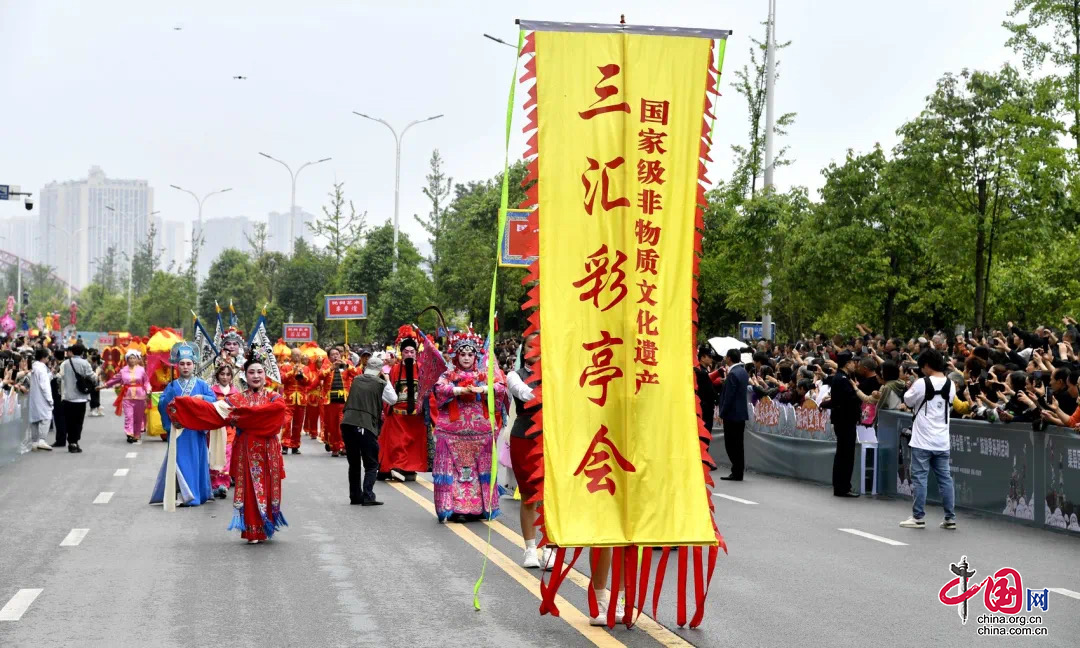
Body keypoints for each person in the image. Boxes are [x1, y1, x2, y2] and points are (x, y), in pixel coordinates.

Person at [166, 348, 289, 543]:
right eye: (251, 372)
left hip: (269, 451)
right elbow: (213, 412)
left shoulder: (274, 398)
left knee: (267, 488)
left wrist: (243, 417)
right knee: (250, 489)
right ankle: (252, 530)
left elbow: (278, 413)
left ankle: (266, 526)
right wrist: (184, 405)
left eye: (259, 372)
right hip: (246, 450)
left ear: (266, 374)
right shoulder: (236, 400)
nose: (256, 376)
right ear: (245, 376)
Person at [432, 332, 506, 522]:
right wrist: (458, 390)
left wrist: (482, 389)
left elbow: (500, 388)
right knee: (455, 472)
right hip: (452, 433)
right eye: (462, 354)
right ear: (456, 356)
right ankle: (456, 509)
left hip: (480, 433)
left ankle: (480, 508)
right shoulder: (449, 375)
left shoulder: (483, 375)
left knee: (478, 470)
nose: (466, 358)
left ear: (476, 356)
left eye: (470, 354)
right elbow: (439, 389)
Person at [506, 331, 556, 570]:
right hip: (524, 437)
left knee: (550, 495)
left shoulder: (555, 373)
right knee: (528, 496)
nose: (534, 349)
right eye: (529, 345)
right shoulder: (514, 375)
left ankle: (549, 547)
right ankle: (529, 548)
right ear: (523, 351)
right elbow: (526, 394)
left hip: (551, 438)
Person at [150, 343, 216, 507]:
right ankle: (184, 494)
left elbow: (213, 401)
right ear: (177, 365)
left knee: (195, 460)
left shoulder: (202, 385)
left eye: (188, 363)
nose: (185, 367)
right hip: (178, 430)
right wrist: (168, 400)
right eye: (182, 363)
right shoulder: (172, 386)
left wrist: (202, 398)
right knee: (179, 461)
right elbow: (162, 405)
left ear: (194, 365)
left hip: (195, 431)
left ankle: (195, 493)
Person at [899, 349, 957, 530]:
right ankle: (950, 518)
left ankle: (918, 517)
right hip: (942, 440)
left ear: (926, 365)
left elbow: (907, 401)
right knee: (945, 479)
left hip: (922, 440)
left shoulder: (921, 383)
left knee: (920, 478)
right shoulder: (951, 384)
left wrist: (912, 386)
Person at [341, 356, 397, 505]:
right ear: (380, 371)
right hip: (365, 425)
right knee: (371, 464)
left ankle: (355, 496)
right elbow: (393, 399)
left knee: (354, 463)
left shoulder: (357, 379)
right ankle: (368, 495)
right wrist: (387, 379)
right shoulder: (380, 383)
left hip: (347, 423)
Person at [379, 327, 429, 480]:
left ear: (416, 353)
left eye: (411, 352)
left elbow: (428, 392)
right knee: (397, 444)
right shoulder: (394, 369)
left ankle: (409, 469)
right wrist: (385, 409)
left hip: (416, 417)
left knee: (414, 446)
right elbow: (388, 390)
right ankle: (398, 467)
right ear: (402, 353)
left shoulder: (422, 369)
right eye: (406, 351)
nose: (409, 354)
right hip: (398, 416)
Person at [827, 351, 861, 497]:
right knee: (845, 455)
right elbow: (851, 400)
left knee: (843, 454)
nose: (855, 364)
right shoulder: (842, 379)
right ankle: (842, 487)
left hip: (844, 420)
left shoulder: (842, 378)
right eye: (853, 362)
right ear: (847, 363)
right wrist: (856, 390)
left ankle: (841, 486)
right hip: (845, 420)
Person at [102, 349, 151, 443]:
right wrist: (104, 385)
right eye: (130, 358)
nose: (132, 360)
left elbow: (146, 382)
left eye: (134, 358)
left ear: (137, 359)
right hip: (127, 396)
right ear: (127, 360)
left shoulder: (141, 370)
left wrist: (148, 390)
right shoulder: (123, 371)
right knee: (129, 416)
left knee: (138, 417)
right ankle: (129, 434)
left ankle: (136, 434)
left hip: (140, 396)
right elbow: (114, 379)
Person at [717, 348, 749, 481]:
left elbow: (729, 396)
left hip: (732, 414)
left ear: (729, 358)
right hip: (740, 413)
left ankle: (736, 471)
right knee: (739, 444)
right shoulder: (743, 372)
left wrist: (722, 412)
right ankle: (738, 471)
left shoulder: (733, 374)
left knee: (731, 444)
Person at [321, 345, 358, 458]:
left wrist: (346, 366)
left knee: (343, 424)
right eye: (332, 355)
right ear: (329, 357)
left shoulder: (347, 363)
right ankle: (335, 448)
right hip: (331, 401)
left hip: (344, 401)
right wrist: (331, 368)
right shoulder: (326, 365)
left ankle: (344, 446)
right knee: (332, 426)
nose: (335, 356)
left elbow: (357, 373)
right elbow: (320, 376)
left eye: (337, 354)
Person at [59, 343, 96, 454]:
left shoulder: (65, 363)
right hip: (81, 398)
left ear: (72, 351)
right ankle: (75, 442)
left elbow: (60, 376)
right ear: (82, 352)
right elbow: (92, 377)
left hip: (67, 397)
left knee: (69, 421)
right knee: (78, 421)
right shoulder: (85, 363)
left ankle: (70, 442)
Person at [209, 362, 237, 499]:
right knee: (215, 452)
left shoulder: (236, 392)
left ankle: (224, 484)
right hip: (215, 428)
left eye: (227, 374)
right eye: (222, 374)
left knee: (227, 453)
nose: (225, 377)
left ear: (231, 377)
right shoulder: (211, 391)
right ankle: (214, 483)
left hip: (230, 428)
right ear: (217, 375)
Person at [279, 348, 309, 454]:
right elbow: (282, 379)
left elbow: (308, 382)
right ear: (291, 356)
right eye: (294, 355)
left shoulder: (305, 368)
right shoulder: (285, 367)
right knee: (286, 422)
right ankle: (285, 444)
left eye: (298, 355)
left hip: (301, 399)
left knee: (298, 423)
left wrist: (301, 374)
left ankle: (295, 445)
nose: (296, 357)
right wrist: (293, 371)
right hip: (288, 399)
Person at [27, 348, 54, 451]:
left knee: (34, 419)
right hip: (42, 397)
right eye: (47, 356)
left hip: (34, 397)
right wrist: (50, 399)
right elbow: (44, 384)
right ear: (44, 357)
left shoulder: (34, 366)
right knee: (46, 417)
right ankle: (42, 440)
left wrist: (51, 374)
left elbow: (44, 379)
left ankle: (34, 442)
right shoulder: (41, 368)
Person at [694, 345, 719, 448]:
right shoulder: (701, 372)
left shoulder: (700, 371)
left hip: (702, 409)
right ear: (703, 357)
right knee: (703, 440)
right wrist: (718, 398)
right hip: (704, 410)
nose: (711, 359)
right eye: (709, 356)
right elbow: (709, 392)